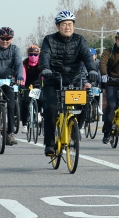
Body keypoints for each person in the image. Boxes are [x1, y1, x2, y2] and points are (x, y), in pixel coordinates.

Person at [38, 10, 96, 157]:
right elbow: (45, 55)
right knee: (50, 108)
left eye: (70, 24)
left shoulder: (80, 40)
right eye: (64, 24)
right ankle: (50, 144)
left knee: (85, 103)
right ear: (58, 26)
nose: (67, 27)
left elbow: (87, 57)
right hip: (53, 80)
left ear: (73, 26)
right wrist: (45, 68)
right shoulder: (49, 40)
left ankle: (75, 130)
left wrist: (92, 70)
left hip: (73, 79)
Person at [19, 44, 42, 128]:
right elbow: (23, 75)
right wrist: (22, 84)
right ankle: (24, 124)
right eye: (31, 54)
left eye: (35, 55)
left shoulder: (41, 63)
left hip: (37, 85)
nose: (33, 56)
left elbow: (43, 75)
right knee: (24, 103)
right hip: (27, 85)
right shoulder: (24, 63)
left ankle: (38, 113)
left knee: (41, 99)